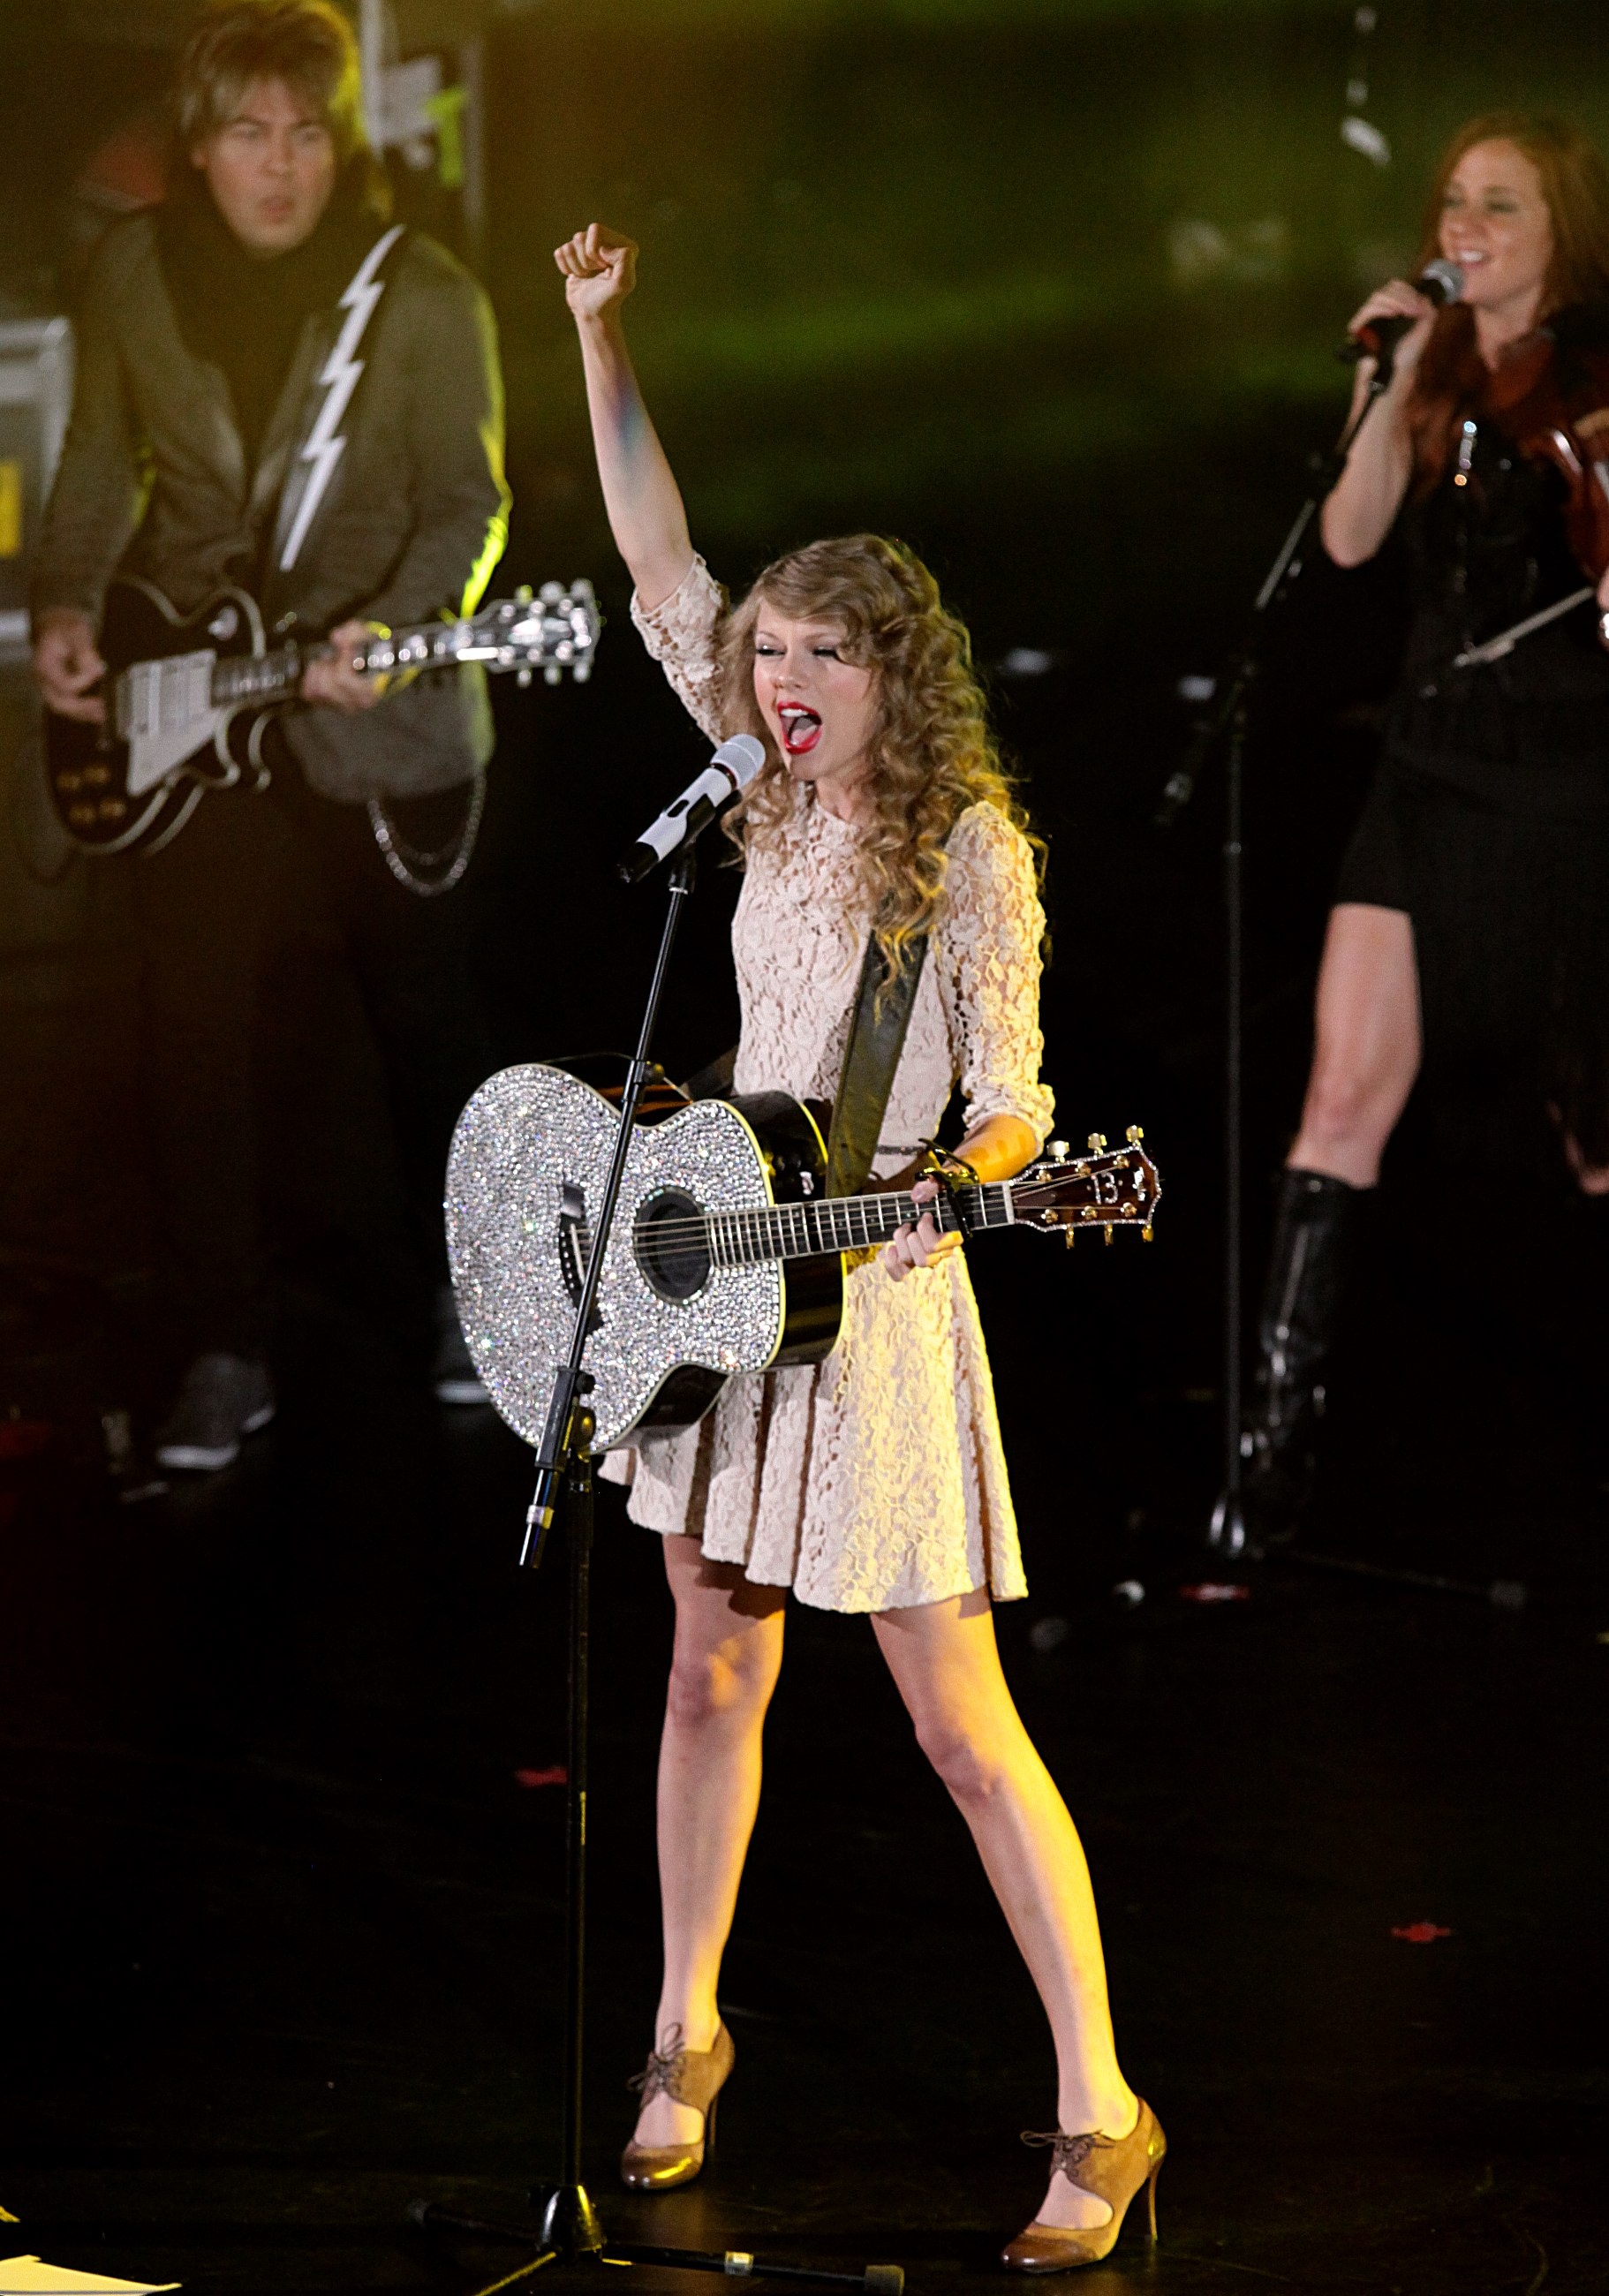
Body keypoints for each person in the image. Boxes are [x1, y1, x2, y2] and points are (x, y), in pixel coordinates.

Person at [553, 219, 1162, 2271]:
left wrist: (964, 1170)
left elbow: (1020, 1098)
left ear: (895, 675)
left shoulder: (964, 847)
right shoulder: (746, 800)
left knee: (956, 1729)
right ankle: (682, 2031)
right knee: (704, 1668)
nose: (780, 684)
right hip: (728, 1279)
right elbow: (655, 557)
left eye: (821, 658)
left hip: (881, 1305)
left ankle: (1100, 2103)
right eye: (769, 656)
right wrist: (600, 338)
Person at [31, 0, 510, 1467]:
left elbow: (469, 505)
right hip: (194, 701)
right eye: (249, 133)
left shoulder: (420, 294)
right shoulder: (131, 268)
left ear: (339, 140)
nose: (281, 165)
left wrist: (395, 625)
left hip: (376, 713)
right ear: (200, 144)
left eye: (307, 133)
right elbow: (100, 454)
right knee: (191, 1031)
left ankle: (478, 1306)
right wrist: (69, 602)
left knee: (421, 1026)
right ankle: (226, 1345)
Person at [1240, 113, 1609, 1535]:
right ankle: (1269, 1472)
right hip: (1427, 761)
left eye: (1497, 205)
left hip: (1565, 776)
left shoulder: (1593, 375)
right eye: (1454, 200)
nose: (1463, 227)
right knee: (1339, 1098)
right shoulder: (1427, 362)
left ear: (1558, 226)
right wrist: (1386, 368)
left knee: (1590, 1133)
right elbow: (1345, 539)